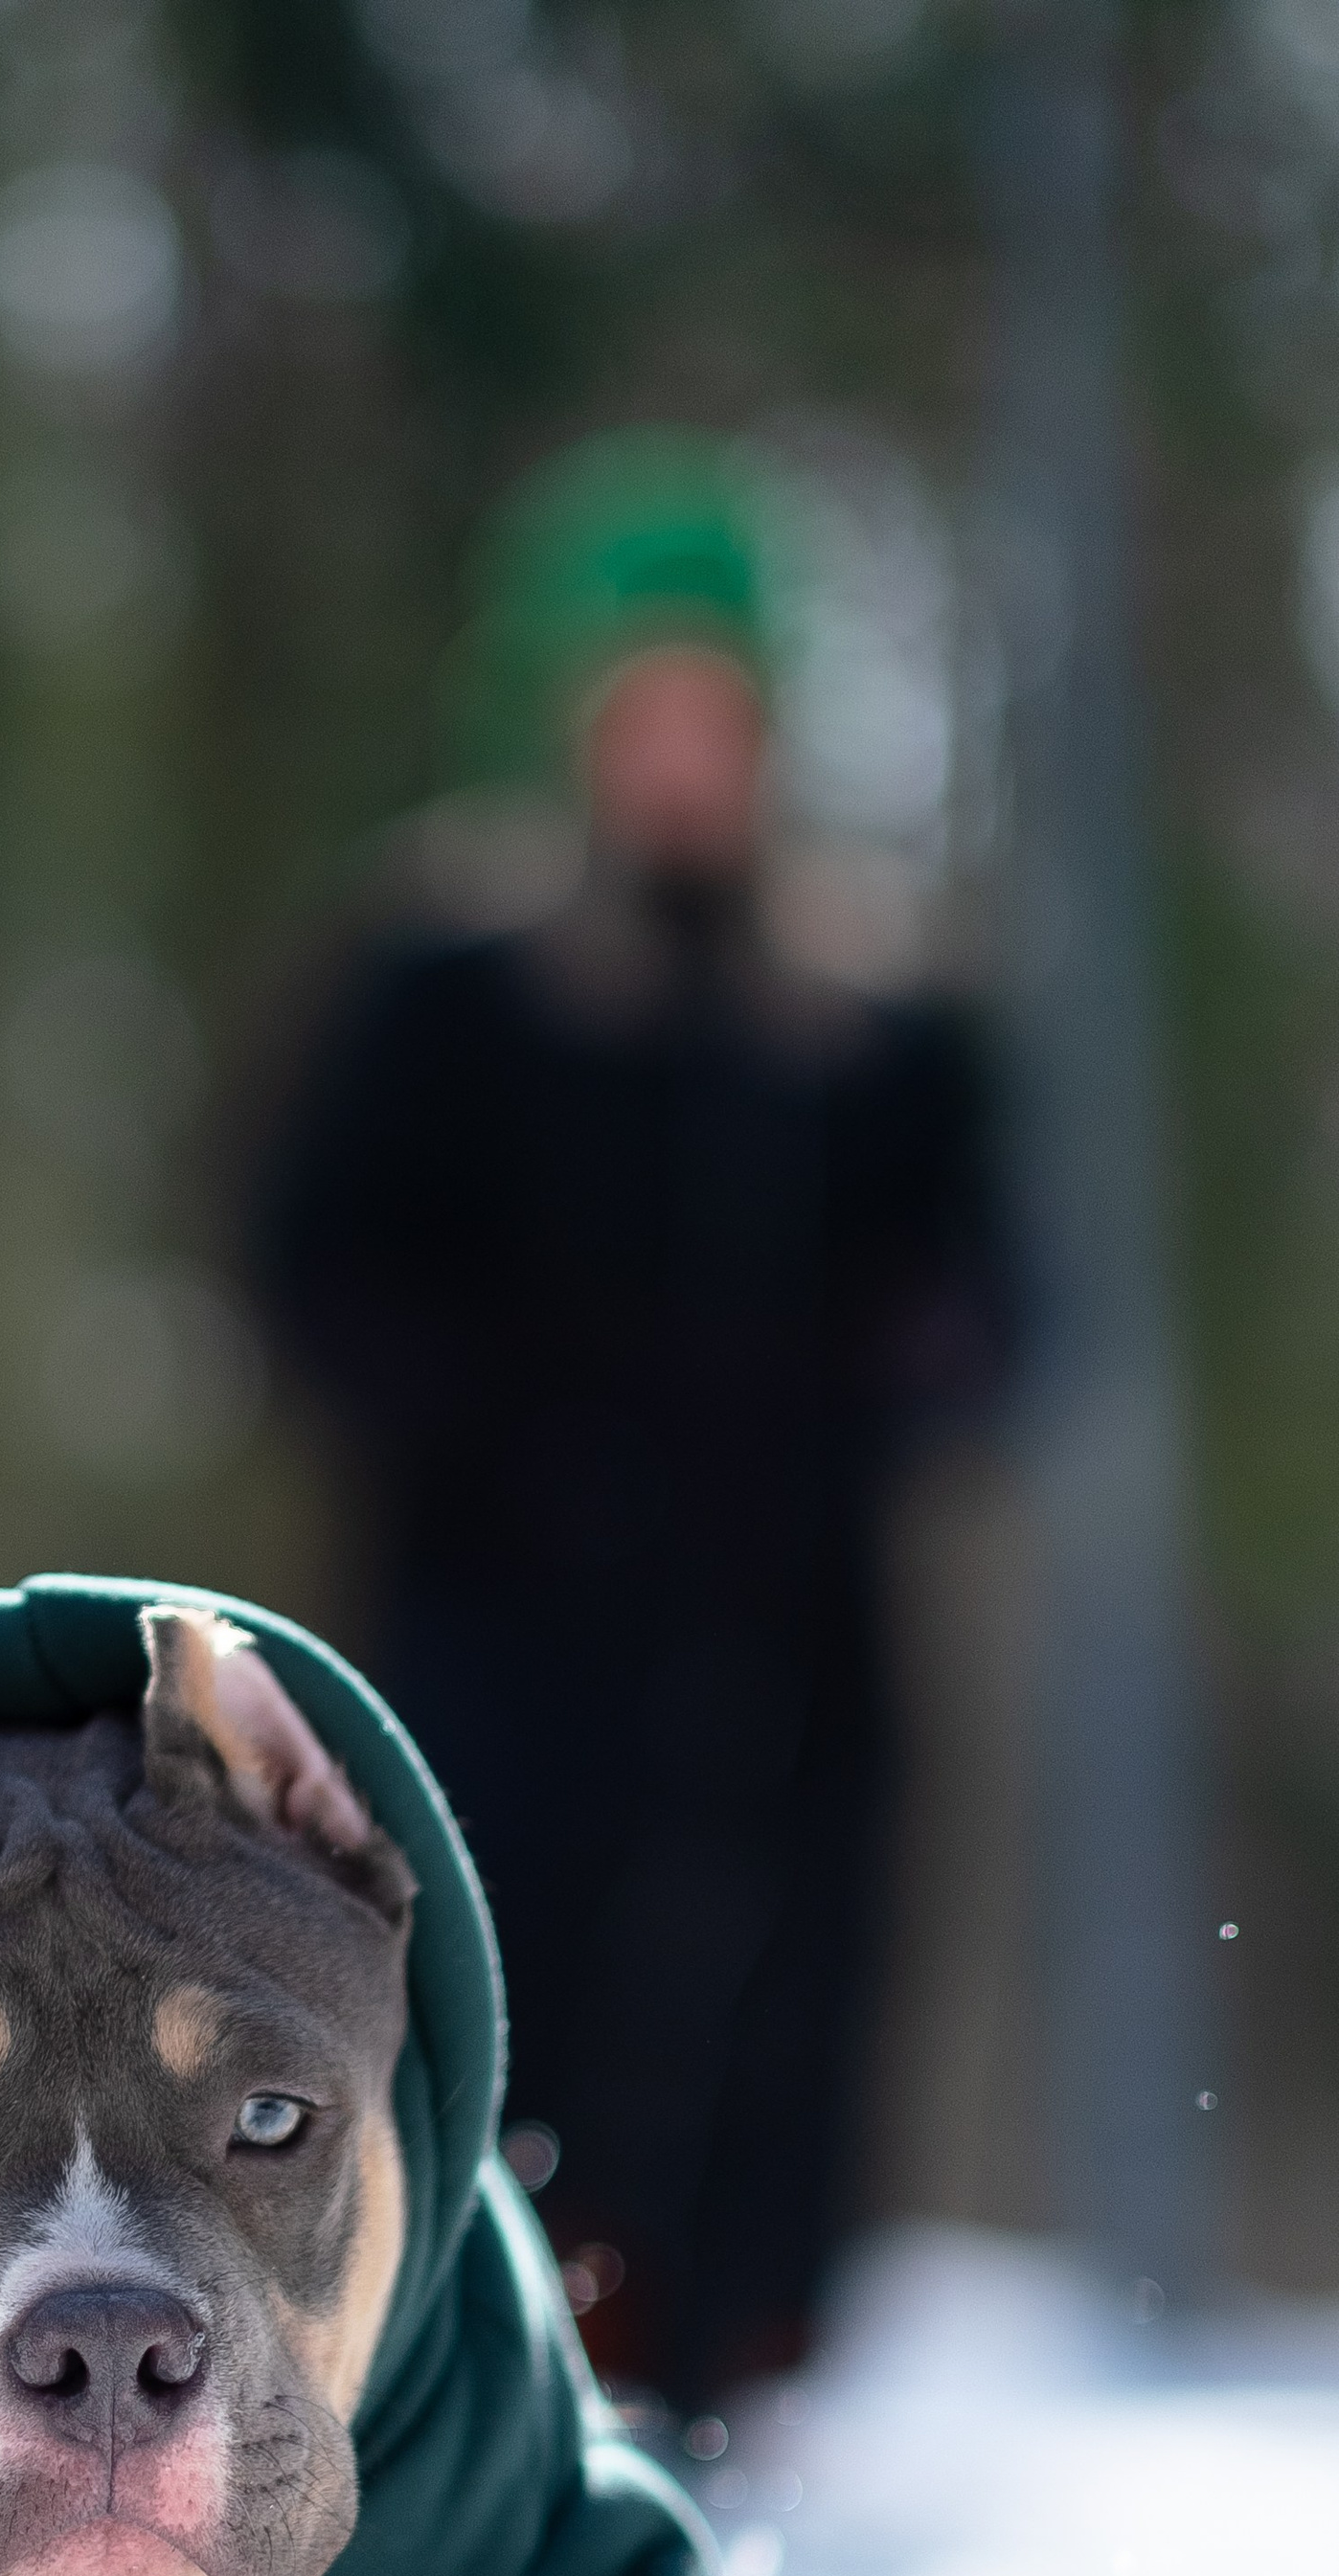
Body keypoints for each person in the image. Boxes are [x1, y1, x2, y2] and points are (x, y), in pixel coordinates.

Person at [247, 433, 1013, 2422]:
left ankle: (743, 2357)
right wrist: (503, 1435)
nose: (677, 759)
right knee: (506, 1987)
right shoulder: (447, 987)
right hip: (498, 1628)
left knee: (776, 2001)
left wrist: (896, 1381)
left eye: (714, 715)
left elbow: (994, 1305)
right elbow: (311, 1273)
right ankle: (480, 2358)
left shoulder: (873, 1022)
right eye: (639, 713)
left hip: (785, 1640)